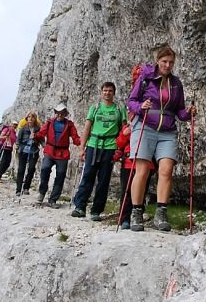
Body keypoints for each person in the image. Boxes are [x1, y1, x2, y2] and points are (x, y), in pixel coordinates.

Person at [126, 46, 197, 232]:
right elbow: (131, 101)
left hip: (167, 130)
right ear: (158, 61)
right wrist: (141, 105)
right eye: (164, 61)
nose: (167, 65)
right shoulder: (146, 79)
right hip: (144, 126)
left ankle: (161, 213)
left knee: (166, 170)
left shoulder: (176, 83)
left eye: (171, 62)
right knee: (142, 171)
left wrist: (188, 113)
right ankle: (136, 212)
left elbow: (179, 111)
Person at [71, 82, 126, 220]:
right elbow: (87, 128)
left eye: (110, 91)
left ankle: (96, 211)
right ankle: (80, 207)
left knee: (104, 180)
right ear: (101, 92)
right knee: (88, 176)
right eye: (105, 90)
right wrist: (82, 148)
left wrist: (121, 149)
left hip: (110, 147)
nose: (107, 93)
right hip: (93, 145)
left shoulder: (119, 109)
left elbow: (124, 130)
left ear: (114, 93)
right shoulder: (95, 108)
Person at [114, 113, 155, 229]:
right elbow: (118, 143)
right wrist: (124, 134)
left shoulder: (150, 128)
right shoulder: (127, 128)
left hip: (145, 163)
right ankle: (125, 219)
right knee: (126, 192)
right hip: (128, 163)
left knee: (142, 191)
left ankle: (138, 216)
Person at [34, 105, 81, 205]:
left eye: (62, 113)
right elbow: (42, 133)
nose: (60, 114)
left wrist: (81, 141)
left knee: (60, 175)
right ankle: (42, 194)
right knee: (45, 169)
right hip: (50, 150)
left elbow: (75, 137)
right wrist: (35, 135)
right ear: (56, 112)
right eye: (58, 112)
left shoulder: (69, 124)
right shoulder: (50, 122)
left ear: (65, 114)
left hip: (63, 153)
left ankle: (53, 199)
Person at [14, 112, 41, 196]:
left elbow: (41, 139)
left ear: (35, 119)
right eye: (28, 117)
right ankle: (18, 189)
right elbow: (18, 140)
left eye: (32, 117)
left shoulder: (38, 129)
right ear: (26, 119)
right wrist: (17, 147)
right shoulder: (23, 129)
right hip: (23, 151)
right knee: (21, 169)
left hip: (33, 151)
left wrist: (37, 140)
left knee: (31, 169)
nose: (30, 119)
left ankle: (26, 187)